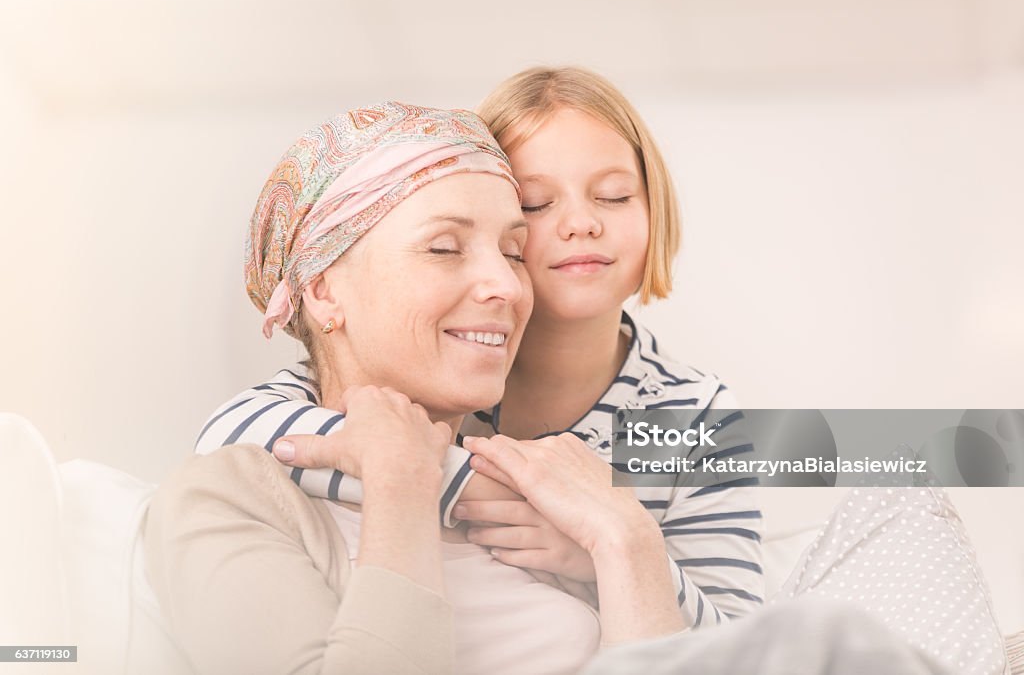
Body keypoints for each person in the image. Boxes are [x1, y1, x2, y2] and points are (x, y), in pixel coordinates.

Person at [198, 66, 765, 628]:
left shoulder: (697, 412)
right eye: (538, 205)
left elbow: (742, 642)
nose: (582, 223)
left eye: (615, 196)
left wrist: (605, 550)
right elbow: (231, 436)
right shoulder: (447, 370)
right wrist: (498, 494)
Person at [144, 102, 683, 675]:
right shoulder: (227, 496)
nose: (507, 284)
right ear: (323, 291)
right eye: (444, 248)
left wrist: (628, 540)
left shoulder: (543, 495)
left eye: (514, 253)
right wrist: (401, 487)